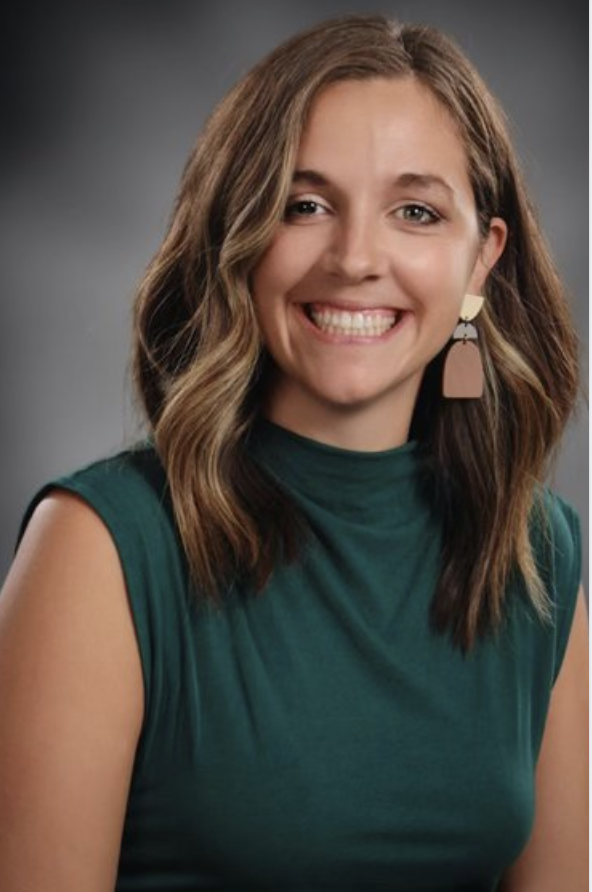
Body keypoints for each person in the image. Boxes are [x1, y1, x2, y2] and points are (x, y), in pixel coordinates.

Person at [0, 14, 587, 892]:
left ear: (479, 264)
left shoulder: (537, 554)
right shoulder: (101, 547)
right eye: (303, 205)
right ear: (239, 239)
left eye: (416, 212)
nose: (355, 258)